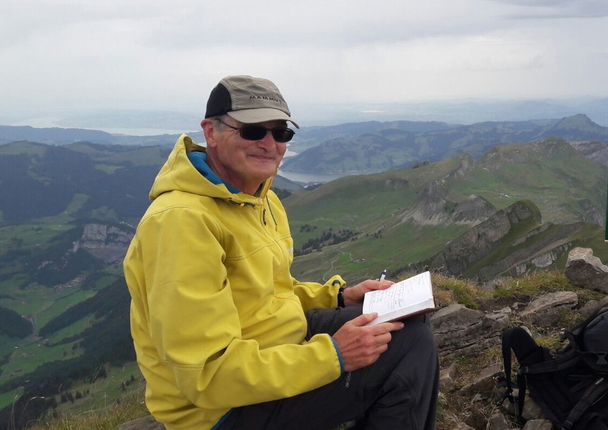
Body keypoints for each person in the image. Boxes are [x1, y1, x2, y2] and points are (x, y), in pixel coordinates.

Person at [123, 75, 439, 430]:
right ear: (211, 132)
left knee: (407, 320)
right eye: (252, 131)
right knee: (410, 345)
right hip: (221, 411)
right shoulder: (180, 223)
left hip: (274, 346)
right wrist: (334, 355)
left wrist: (338, 297)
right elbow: (207, 376)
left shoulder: (260, 198)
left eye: (281, 132)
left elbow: (269, 292)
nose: (269, 144)